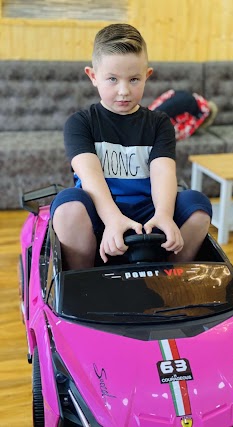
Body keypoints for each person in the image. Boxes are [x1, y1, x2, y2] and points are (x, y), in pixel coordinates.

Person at [50, 23, 212, 270]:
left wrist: (165, 216)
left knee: (198, 205)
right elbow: (90, 177)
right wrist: (113, 219)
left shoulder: (159, 123)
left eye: (134, 79)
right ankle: (84, 281)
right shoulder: (80, 123)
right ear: (93, 76)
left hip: (150, 213)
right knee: (67, 205)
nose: (124, 91)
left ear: (147, 76)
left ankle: (171, 278)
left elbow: (164, 173)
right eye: (112, 79)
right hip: (100, 212)